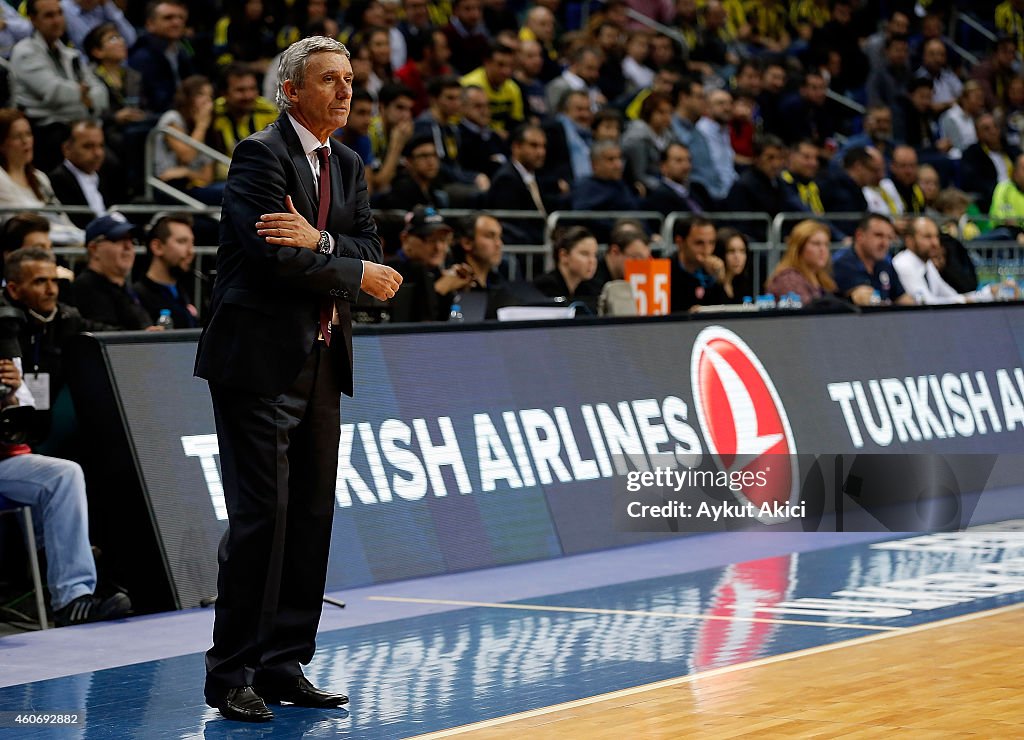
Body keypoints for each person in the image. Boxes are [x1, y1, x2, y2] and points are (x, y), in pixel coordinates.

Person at [193, 36, 400, 723]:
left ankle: (284, 664)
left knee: (311, 515)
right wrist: (348, 268)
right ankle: (231, 675)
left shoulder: (348, 162)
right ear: (292, 91)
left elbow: (368, 249)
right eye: (329, 81)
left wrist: (326, 246)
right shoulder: (260, 154)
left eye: (349, 80)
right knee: (263, 518)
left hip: (320, 358)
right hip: (255, 362)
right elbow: (271, 255)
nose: (345, 92)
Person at [0, 346, 130, 627]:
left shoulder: (6, 351)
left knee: (63, 475)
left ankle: (72, 598)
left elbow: (25, 420)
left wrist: (11, 391)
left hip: (6, 458)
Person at [10, 0, 109, 172]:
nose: (57, 20)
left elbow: (102, 94)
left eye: (59, 13)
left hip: (76, 125)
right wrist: (83, 95)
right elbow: (54, 92)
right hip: (46, 129)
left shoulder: (71, 54)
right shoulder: (24, 52)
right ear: (33, 19)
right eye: (49, 15)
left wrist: (81, 95)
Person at [0, 109, 83, 245]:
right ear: (2, 144)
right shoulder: (1, 178)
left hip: (57, 242)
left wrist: (80, 237)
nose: (26, 141)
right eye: (17, 136)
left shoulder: (40, 178)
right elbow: (21, 225)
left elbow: (60, 216)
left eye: (28, 134)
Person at [386, 205, 471, 321]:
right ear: (405, 239)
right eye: (430, 240)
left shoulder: (438, 271)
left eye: (443, 240)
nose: (438, 247)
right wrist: (439, 289)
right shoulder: (390, 272)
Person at [893, 216, 999, 304]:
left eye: (936, 237)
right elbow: (926, 303)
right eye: (927, 237)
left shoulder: (927, 264)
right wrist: (967, 299)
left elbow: (951, 295)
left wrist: (988, 293)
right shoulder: (903, 264)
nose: (935, 243)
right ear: (909, 241)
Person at [72, 214, 153, 329]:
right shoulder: (87, 287)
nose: (128, 246)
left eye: (131, 240)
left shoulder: (124, 288)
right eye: (119, 239)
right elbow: (108, 339)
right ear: (94, 249)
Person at [153, 75, 223, 205]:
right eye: (200, 95)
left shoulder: (206, 129)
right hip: (169, 188)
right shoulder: (172, 119)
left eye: (210, 96)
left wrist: (186, 172)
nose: (206, 101)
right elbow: (187, 156)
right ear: (187, 98)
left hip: (194, 187)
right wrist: (201, 126)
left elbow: (207, 177)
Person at [48, 119, 125, 228]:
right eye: (88, 146)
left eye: (101, 146)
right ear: (67, 149)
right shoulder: (57, 180)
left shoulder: (109, 174)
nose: (98, 153)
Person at [832, 213, 914, 306]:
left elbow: (901, 297)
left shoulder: (885, 263)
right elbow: (864, 298)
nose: (885, 243)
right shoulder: (842, 263)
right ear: (860, 236)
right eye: (879, 235)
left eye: (889, 238)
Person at [133, 213, 198, 327]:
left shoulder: (187, 290)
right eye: (182, 242)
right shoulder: (138, 297)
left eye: (192, 243)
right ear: (157, 247)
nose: (190, 251)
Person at [764, 219, 837, 305]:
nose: (823, 250)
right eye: (816, 244)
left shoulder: (824, 280)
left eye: (826, 244)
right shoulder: (788, 279)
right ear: (798, 248)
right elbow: (806, 313)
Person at [533, 226, 600, 300]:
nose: (592, 261)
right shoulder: (543, 288)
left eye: (595, 255)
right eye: (584, 254)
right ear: (564, 255)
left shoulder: (589, 290)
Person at [670, 215, 721, 312]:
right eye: (699, 243)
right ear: (679, 242)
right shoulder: (665, 271)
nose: (707, 250)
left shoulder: (714, 269)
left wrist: (720, 279)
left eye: (711, 243)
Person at [705, 228, 752, 304]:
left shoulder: (741, 283)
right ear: (720, 252)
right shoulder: (708, 284)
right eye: (731, 251)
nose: (737, 257)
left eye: (742, 251)